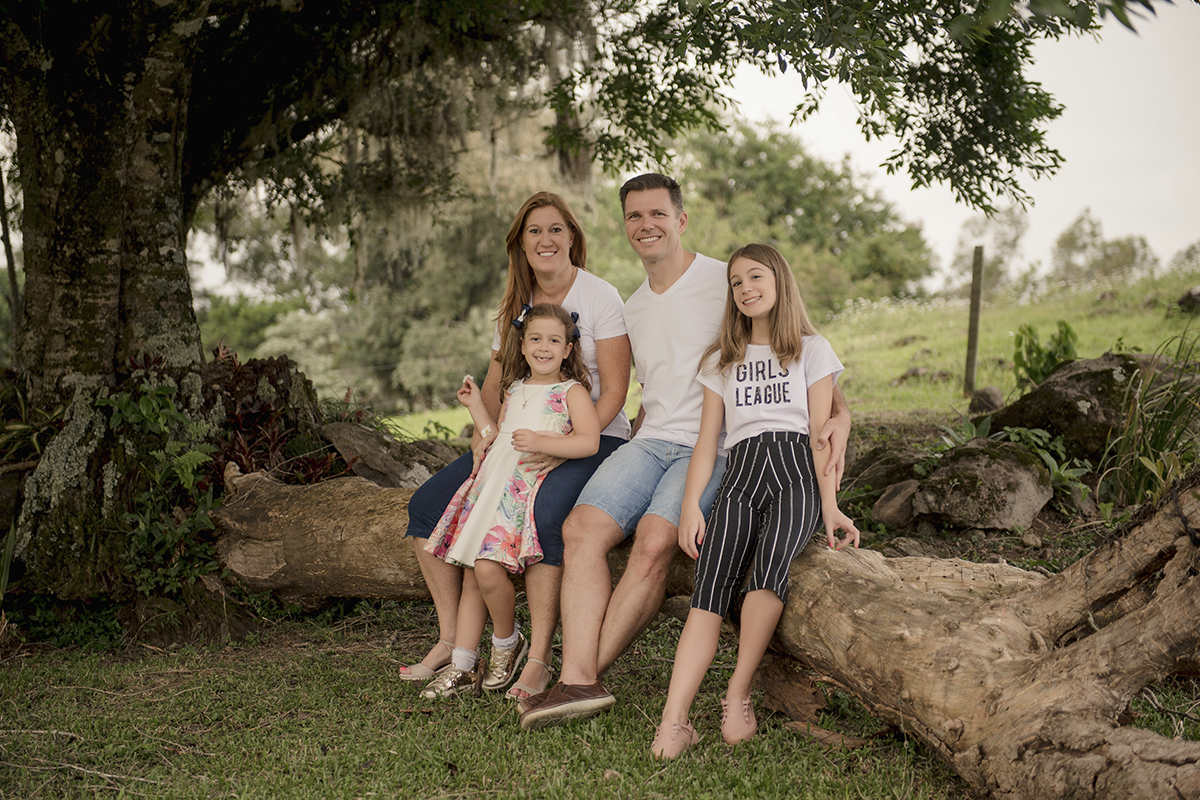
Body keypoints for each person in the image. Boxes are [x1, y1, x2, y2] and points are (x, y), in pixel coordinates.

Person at [519, 174, 851, 731]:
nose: (646, 225)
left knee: (653, 540)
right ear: (625, 227)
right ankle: (577, 678)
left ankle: (578, 680)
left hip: (719, 446)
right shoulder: (632, 307)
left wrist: (841, 415)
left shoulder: (728, 279)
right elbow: (650, 392)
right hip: (651, 441)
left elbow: (799, 356)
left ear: (681, 220)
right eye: (634, 217)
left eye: (656, 214)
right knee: (581, 529)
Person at [402, 193, 631, 701]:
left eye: (555, 229)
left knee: (547, 514)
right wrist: (484, 439)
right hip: (516, 438)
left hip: (592, 438)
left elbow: (615, 390)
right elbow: (496, 383)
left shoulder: (600, 296)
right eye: (534, 232)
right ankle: (453, 644)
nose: (545, 240)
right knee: (427, 507)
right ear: (520, 243)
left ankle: (539, 657)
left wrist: (566, 441)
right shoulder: (512, 304)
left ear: (572, 236)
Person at [650, 243, 859, 758]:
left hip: (794, 474)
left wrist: (829, 506)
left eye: (755, 277)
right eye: (736, 282)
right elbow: (706, 443)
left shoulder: (812, 350)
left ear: (780, 281)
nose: (745, 288)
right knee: (709, 589)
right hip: (741, 475)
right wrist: (691, 505)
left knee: (770, 572)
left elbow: (819, 434)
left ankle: (737, 692)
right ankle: (673, 722)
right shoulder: (722, 361)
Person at [420, 304, 601, 698]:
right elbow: (497, 436)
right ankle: (463, 666)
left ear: (568, 349)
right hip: (487, 488)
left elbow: (589, 441)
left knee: (486, 570)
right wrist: (475, 408)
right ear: (522, 343)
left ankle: (508, 642)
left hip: (518, 496)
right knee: (471, 574)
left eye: (554, 340)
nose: (543, 347)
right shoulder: (515, 388)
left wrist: (545, 443)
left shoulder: (571, 392)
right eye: (535, 339)